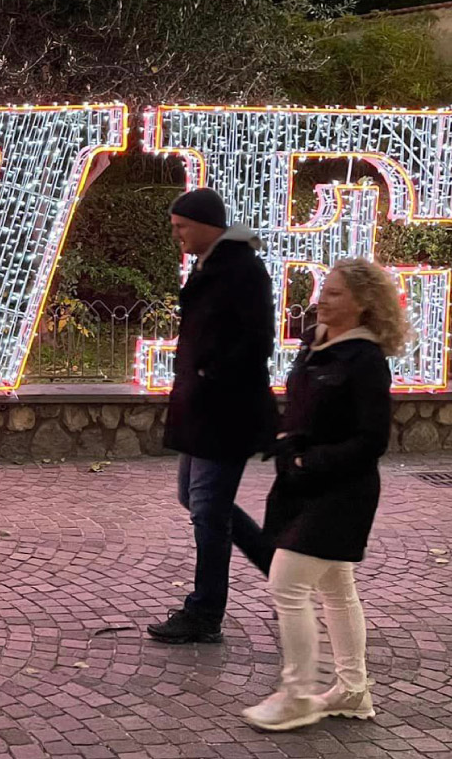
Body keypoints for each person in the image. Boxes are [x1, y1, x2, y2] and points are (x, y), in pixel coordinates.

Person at [242, 258, 407, 731]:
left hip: (341, 490)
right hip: (301, 484)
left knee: (287, 584)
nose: (323, 298)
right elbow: (301, 411)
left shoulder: (366, 360)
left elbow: (372, 439)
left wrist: (309, 461)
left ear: (363, 303)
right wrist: (282, 442)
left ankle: (296, 695)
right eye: (324, 290)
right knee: (336, 587)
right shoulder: (314, 346)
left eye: (335, 293)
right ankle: (353, 690)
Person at [147, 188, 278, 645]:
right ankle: (278, 567)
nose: (176, 234)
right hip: (204, 410)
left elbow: (259, 341)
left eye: (182, 226)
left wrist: (208, 374)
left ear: (206, 224)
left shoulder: (241, 269)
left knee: (207, 509)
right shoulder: (211, 266)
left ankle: (205, 613)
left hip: (226, 411)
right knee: (196, 499)